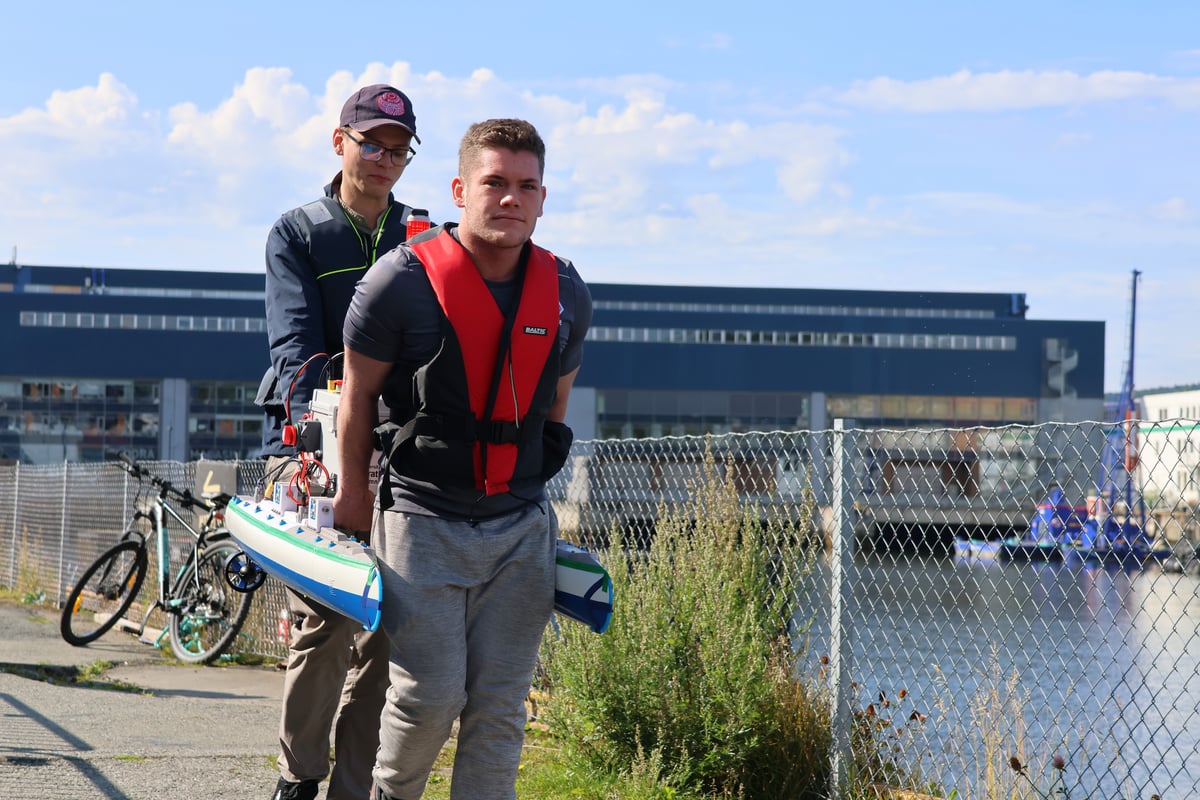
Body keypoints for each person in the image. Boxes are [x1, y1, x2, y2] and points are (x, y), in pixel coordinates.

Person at [332, 118, 592, 800]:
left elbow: (552, 406)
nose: (510, 199)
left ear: (543, 198)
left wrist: (524, 483)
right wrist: (353, 498)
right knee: (430, 698)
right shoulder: (398, 283)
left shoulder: (565, 291)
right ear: (459, 189)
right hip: (421, 517)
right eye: (494, 183)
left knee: (501, 706)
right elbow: (357, 398)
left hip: (518, 525)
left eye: (525, 186)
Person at [255, 84, 426, 800]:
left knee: (391, 632)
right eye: (371, 143)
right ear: (339, 143)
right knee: (324, 623)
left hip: (402, 458)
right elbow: (296, 346)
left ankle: (354, 789)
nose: (384, 159)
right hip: (315, 447)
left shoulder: (423, 238)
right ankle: (300, 777)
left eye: (398, 148)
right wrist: (314, 443)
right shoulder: (299, 234)